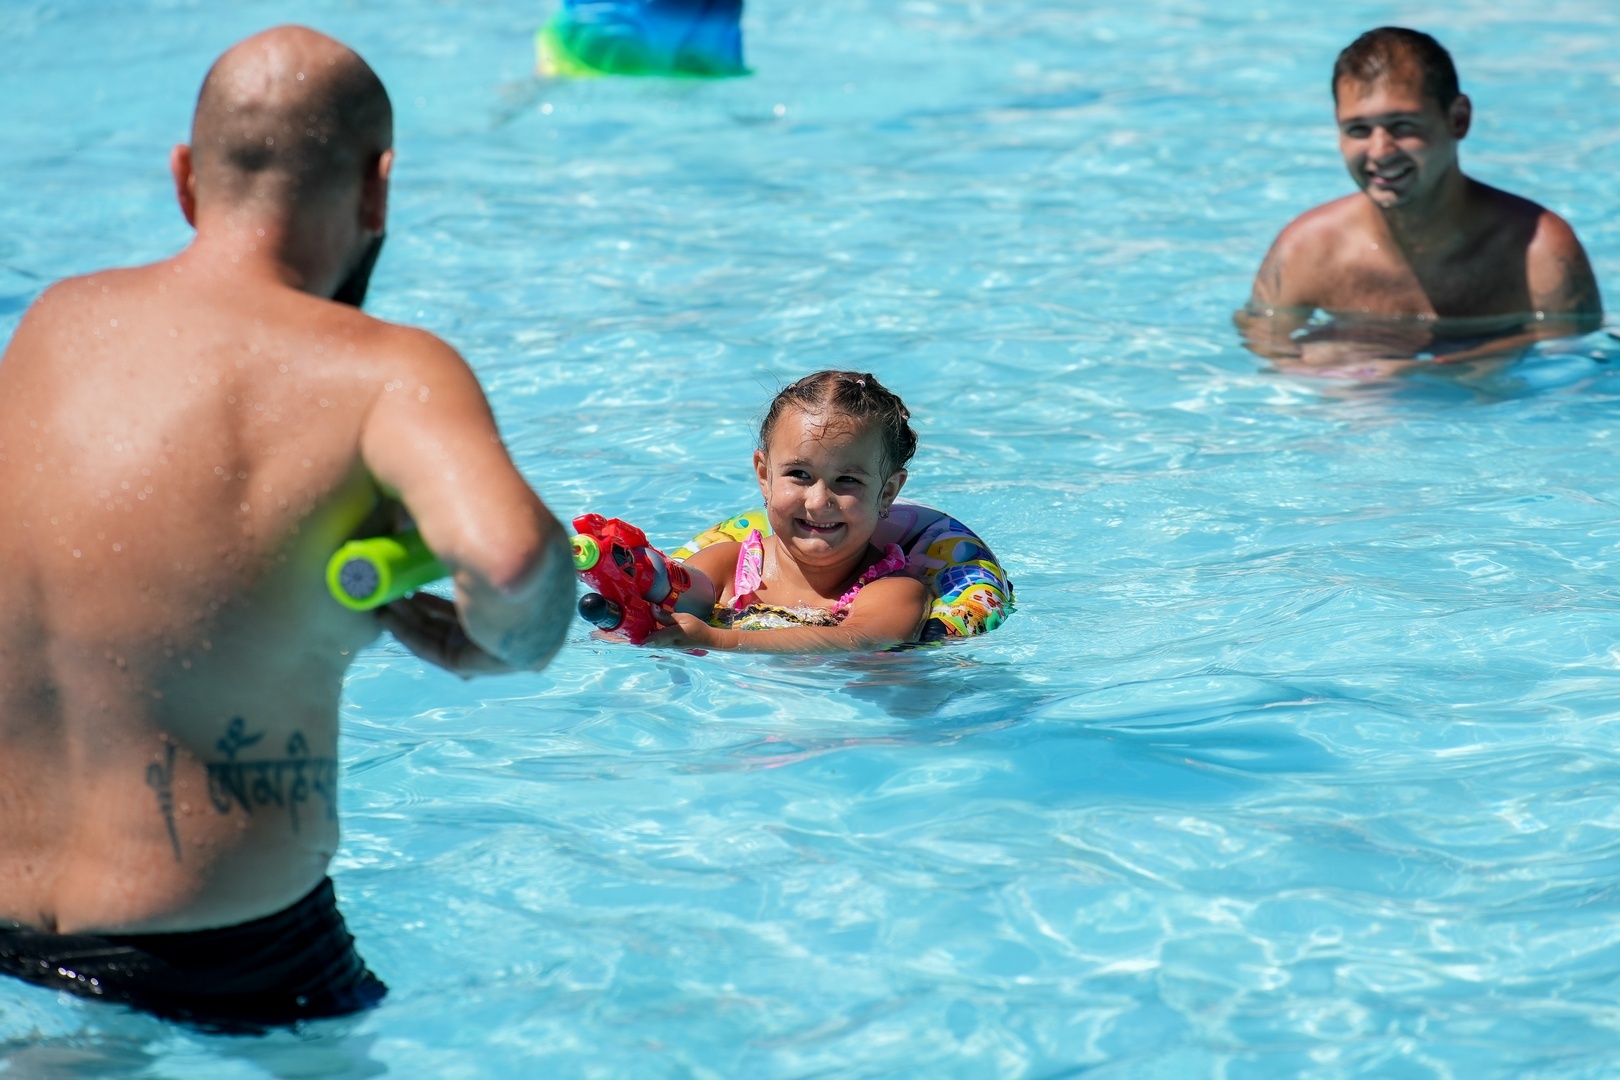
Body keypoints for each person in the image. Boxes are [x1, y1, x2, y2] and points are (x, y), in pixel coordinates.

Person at [0, 26, 574, 1028]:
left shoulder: (55, 321)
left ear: (185, 178)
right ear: (378, 187)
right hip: (231, 949)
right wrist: (500, 641)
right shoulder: (383, 368)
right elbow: (512, 561)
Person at [1237, 27, 1603, 375]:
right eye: (1358, 130)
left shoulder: (1538, 250)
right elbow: (1264, 351)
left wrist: (1423, 372)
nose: (1380, 152)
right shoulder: (1308, 249)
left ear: (1458, 120)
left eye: (1403, 126)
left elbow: (1573, 366)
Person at [651, 371, 931, 653]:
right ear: (765, 476)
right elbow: (656, 605)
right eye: (799, 474)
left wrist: (716, 639)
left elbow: (861, 639)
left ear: (887, 492)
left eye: (847, 480)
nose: (818, 502)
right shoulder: (725, 567)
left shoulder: (894, 590)